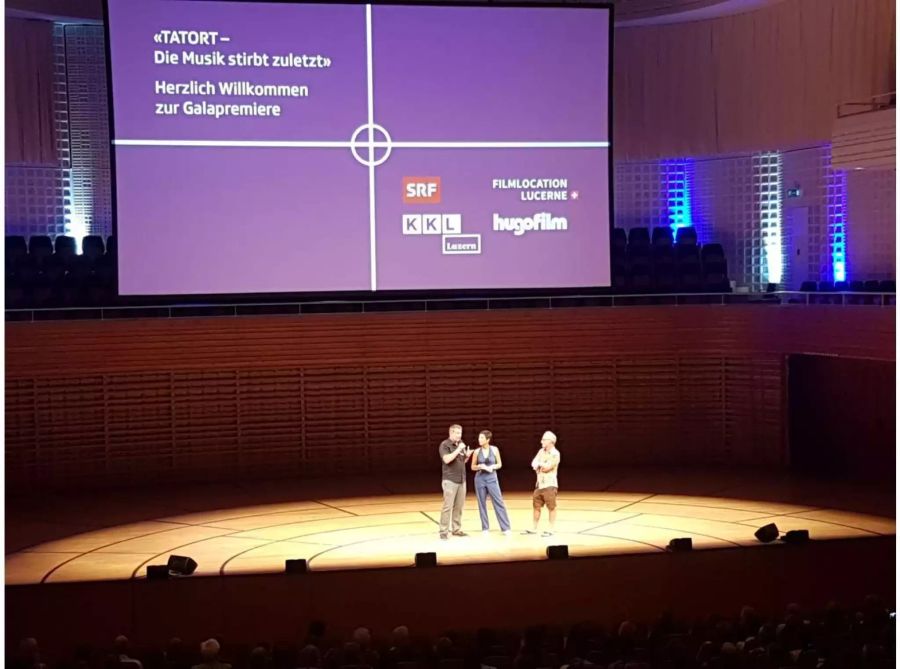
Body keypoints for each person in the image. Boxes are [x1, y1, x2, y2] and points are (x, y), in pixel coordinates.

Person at [470, 430, 512, 535]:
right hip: (480, 479)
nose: (479, 440)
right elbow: (472, 466)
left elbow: (499, 464)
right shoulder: (476, 451)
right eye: (479, 438)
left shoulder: (494, 449)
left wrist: (492, 467)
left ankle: (505, 527)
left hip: (492, 478)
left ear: (488, 439)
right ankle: (485, 528)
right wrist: (480, 466)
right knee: (481, 503)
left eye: (482, 438)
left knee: (498, 502)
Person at [523, 430, 561, 537]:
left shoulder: (555, 454)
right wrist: (539, 465)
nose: (541, 441)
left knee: (551, 507)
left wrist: (539, 465)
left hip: (550, 484)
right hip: (539, 484)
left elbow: (547, 468)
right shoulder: (541, 451)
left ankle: (551, 529)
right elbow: (533, 463)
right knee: (536, 506)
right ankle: (534, 528)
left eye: (544, 439)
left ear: (551, 441)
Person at [438, 423, 473, 539]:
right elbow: (447, 460)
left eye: (461, 433)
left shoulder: (460, 444)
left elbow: (462, 461)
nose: (460, 435)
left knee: (459, 506)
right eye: (457, 433)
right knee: (447, 506)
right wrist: (458, 449)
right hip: (450, 480)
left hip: (462, 480)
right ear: (451, 432)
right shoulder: (445, 445)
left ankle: (456, 529)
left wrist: (467, 456)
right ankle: (443, 531)